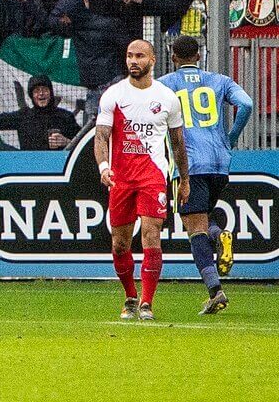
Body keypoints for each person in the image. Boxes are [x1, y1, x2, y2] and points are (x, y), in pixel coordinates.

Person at [94, 39, 189, 321]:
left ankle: (147, 302)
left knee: (151, 234)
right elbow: (101, 136)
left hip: (152, 176)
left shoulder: (167, 98)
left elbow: (178, 142)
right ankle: (130, 296)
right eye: (129, 56)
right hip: (121, 178)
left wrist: (184, 179)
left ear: (152, 60)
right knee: (119, 244)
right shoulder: (113, 95)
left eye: (139, 56)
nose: (133, 61)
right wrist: (103, 166)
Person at [158, 36, 254, 314]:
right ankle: (218, 235)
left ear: (173, 57)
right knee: (203, 218)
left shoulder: (165, 84)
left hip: (189, 163)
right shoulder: (220, 80)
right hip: (220, 161)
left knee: (194, 229)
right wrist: (230, 138)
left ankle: (216, 291)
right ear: (199, 56)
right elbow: (246, 104)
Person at [0, 74, 80, 150]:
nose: (41, 94)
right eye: (36, 90)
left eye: (44, 89)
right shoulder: (23, 116)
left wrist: (67, 142)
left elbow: (83, 144)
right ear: (31, 96)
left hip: (60, 170)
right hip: (30, 170)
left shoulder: (65, 117)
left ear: (51, 93)